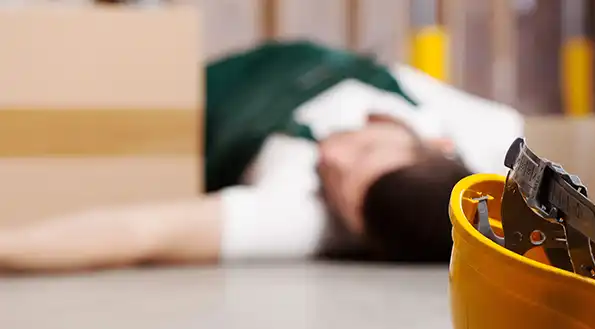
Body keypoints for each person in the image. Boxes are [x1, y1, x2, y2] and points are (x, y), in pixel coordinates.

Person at [0, 40, 523, 273]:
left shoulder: (298, 218)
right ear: (437, 146)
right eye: (364, 151)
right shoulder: (490, 132)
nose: (335, 159)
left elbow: (143, 233)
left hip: (204, 102)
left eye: (342, 191)